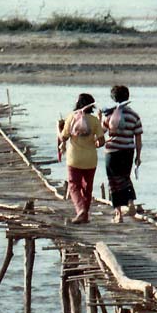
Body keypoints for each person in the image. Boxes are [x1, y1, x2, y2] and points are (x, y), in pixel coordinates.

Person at [58, 93, 105, 224]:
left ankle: (80, 210)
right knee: (87, 187)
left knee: (73, 186)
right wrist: (94, 143)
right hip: (90, 159)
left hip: (74, 159)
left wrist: (58, 128)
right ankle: (84, 215)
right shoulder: (94, 120)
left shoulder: (71, 118)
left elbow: (63, 137)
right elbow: (101, 141)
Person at [102, 85, 143, 223]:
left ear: (113, 99)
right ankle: (131, 202)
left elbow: (101, 132)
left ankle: (118, 214)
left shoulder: (109, 115)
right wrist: (138, 156)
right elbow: (138, 138)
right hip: (127, 151)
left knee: (113, 181)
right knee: (125, 178)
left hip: (112, 152)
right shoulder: (134, 116)